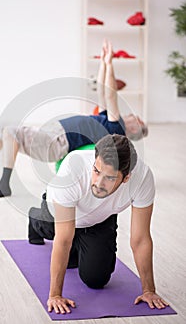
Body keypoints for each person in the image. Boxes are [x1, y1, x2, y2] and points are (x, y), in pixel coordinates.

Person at [0, 41, 148, 199]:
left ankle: (4, 185)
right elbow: (101, 90)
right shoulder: (106, 119)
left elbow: (110, 94)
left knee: (10, 132)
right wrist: (105, 63)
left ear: (135, 128)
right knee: (0, 125)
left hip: (57, 143)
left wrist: (111, 64)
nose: (133, 115)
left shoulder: (116, 128)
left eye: (138, 119)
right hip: (53, 133)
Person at [28, 134, 169, 314]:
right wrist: (55, 295)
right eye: (96, 171)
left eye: (110, 178)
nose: (98, 183)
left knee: (96, 279)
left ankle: (79, 246)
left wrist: (149, 290)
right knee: (60, 235)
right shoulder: (73, 169)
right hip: (58, 212)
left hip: (99, 219)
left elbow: (140, 239)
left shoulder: (142, 178)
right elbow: (63, 240)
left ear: (126, 178)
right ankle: (35, 220)